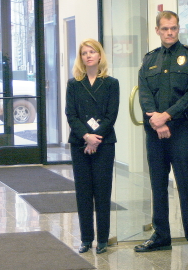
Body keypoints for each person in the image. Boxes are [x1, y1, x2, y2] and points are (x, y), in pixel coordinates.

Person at [134, 10, 188, 257]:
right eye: (165, 29)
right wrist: (156, 118)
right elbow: (143, 92)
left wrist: (167, 116)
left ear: (178, 29)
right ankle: (161, 235)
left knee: (187, 184)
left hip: (182, 130)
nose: (169, 32)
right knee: (158, 184)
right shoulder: (149, 59)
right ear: (157, 31)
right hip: (155, 132)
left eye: (173, 28)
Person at [65, 38, 119, 254]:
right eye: (84, 53)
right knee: (84, 192)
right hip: (80, 144)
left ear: (99, 56)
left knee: (102, 192)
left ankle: (103, 239)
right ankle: (86, 239)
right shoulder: (74, 84)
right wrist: (86, 136)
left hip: (104, 143)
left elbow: (111, 115)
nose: (88, 56)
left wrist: (95, 139)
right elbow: (71, 114)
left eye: (92, 52)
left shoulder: (111, 83)